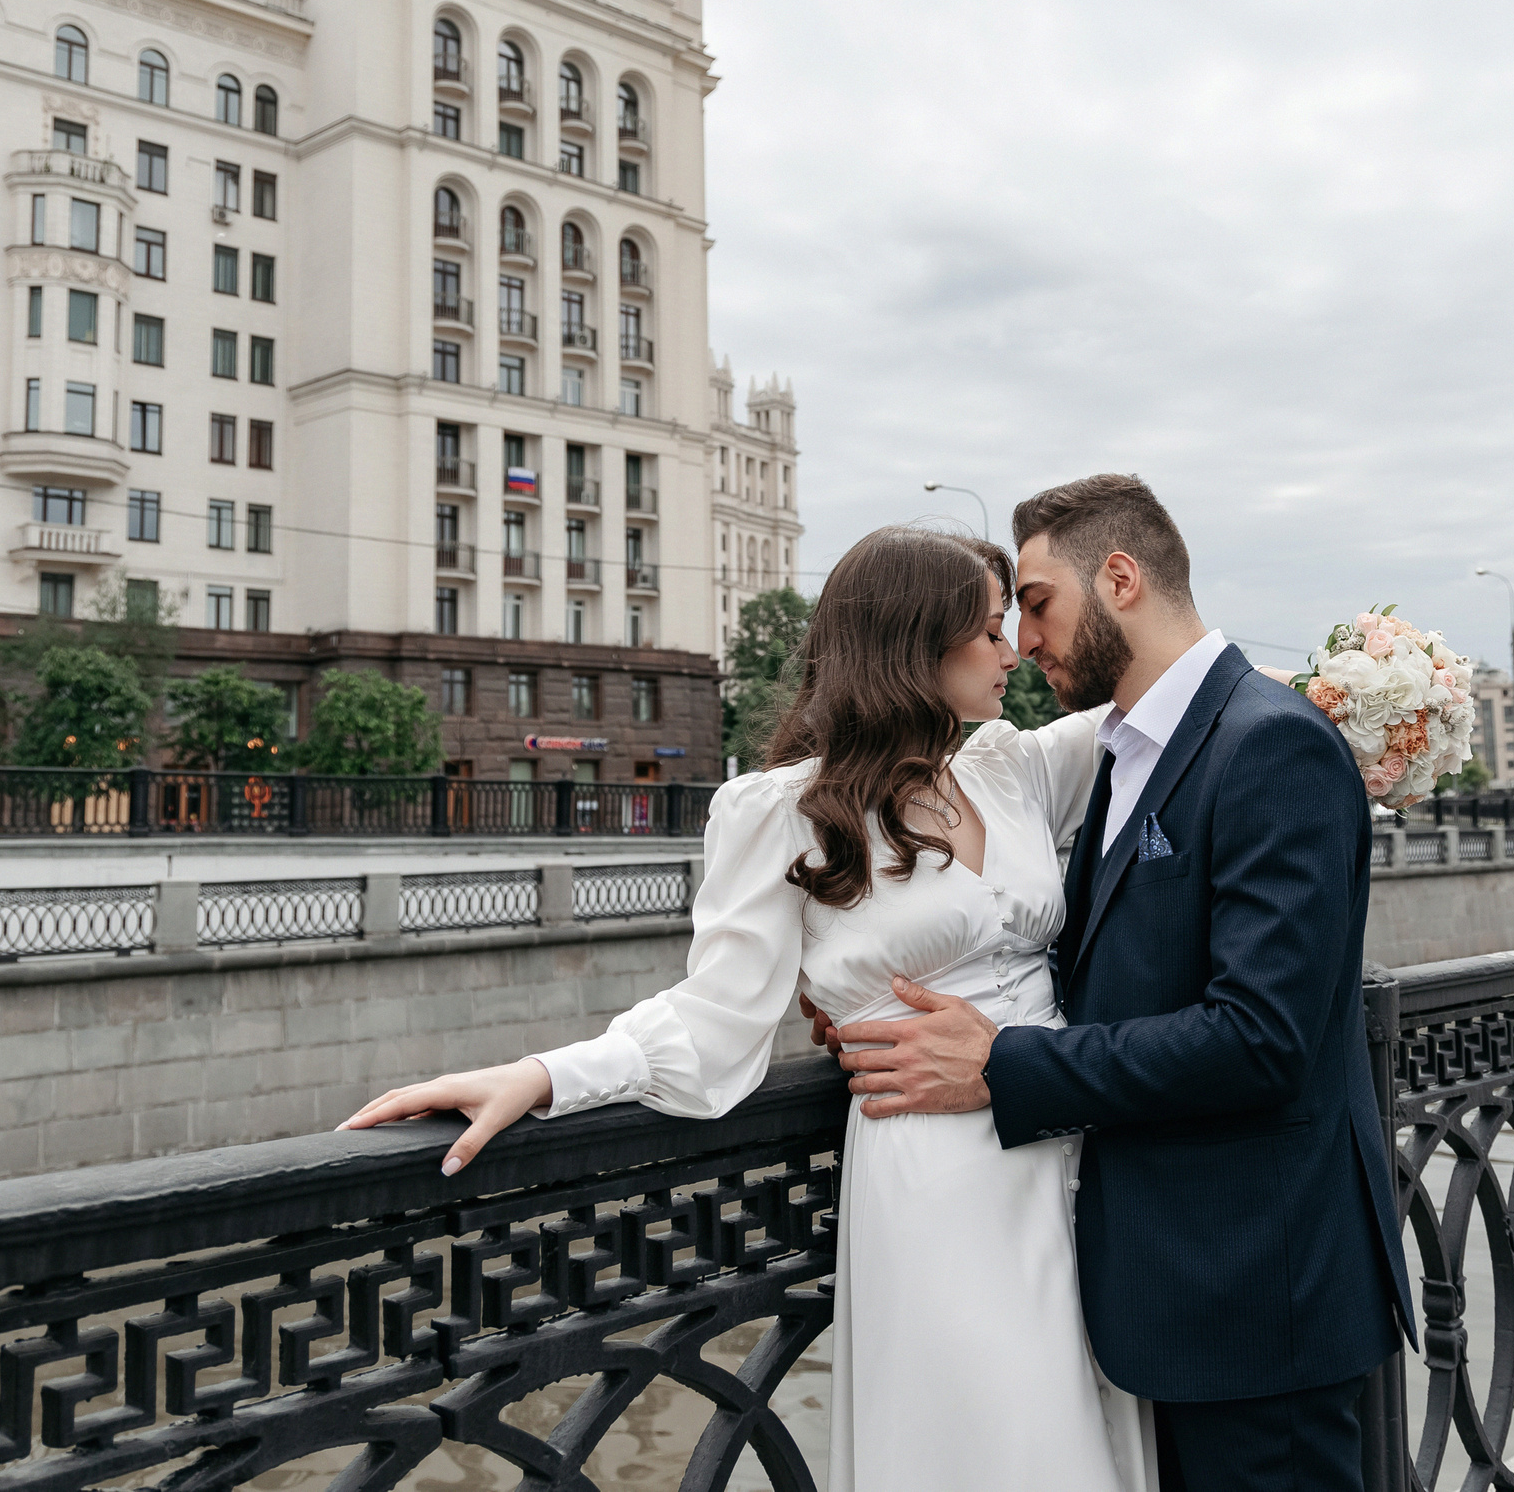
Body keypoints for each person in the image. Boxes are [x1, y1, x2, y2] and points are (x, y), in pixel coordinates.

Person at [337, 525, 1152, 1492]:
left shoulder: (1009, 768)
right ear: (910, 643)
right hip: (943, 1173)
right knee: (997, 1440)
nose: (1012, 650)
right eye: (986, 630)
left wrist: (1355, 691)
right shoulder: (781, 810)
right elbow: (715, 1017)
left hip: (1072, 1143)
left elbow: (1175, 707)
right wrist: (545, 1074)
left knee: (1096, 1429)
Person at [829, 474, 1414, 1492]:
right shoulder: (1126, 752)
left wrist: (1005, 1064)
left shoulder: (1266, 743)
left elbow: (1261, 1039)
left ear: (1120, 577)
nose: (1021, 635)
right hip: (1162, 1300)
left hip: (1255, 1304)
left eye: (1038, 600)